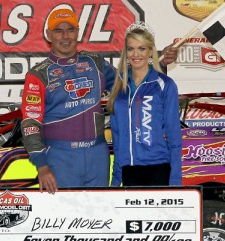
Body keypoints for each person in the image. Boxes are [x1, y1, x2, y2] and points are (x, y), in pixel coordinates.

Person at [21, 8, 179, 193]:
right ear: (49, 35)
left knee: (101, 216)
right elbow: (30, 123)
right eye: (58, 31)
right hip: (60, 157)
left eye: (70, 30)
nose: (65, 36)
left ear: (77, 33)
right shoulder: (38, 74)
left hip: (98, 155)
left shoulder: (95, 62)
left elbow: (132, 83)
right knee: (66, 219)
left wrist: (159, 62)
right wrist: (41, 165)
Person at [107, 21, 182, 187]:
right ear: (125, 52)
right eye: (131, 48)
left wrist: (175, 181)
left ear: (150, 51)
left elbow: (174, 136)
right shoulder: (119, 86)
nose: (136, 54)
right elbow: (117, 136)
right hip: (129, 170)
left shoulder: (165, 84)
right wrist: (116, 179)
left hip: (158, 169)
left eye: (142, 48)